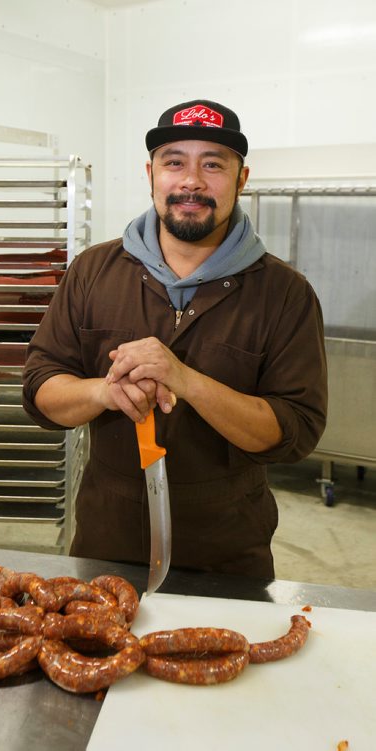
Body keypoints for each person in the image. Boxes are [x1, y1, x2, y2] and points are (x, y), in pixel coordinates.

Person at [23, 98, 327, 579]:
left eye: (213, 164)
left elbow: (295, 432)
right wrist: (103, 391)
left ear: (241, 179)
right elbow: (40, 389)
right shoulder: (92, 273)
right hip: (106, 543)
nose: (192, 181)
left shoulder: (284, 294)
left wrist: (186, 380)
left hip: (227, 554)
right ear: (151, 174)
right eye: (174, 162)